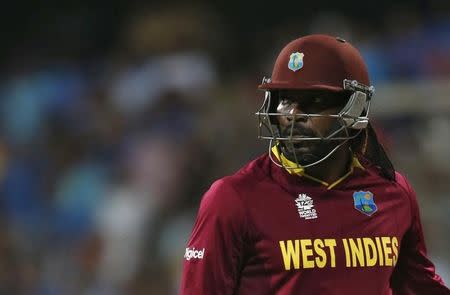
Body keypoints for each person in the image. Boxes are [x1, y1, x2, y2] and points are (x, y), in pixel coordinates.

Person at [180, 34, 450, 294]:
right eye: (285, 100)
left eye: (315, 101)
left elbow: (420, 288)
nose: (293, 115)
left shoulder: (394, 193)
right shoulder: (233, 198)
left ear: (354, 109)